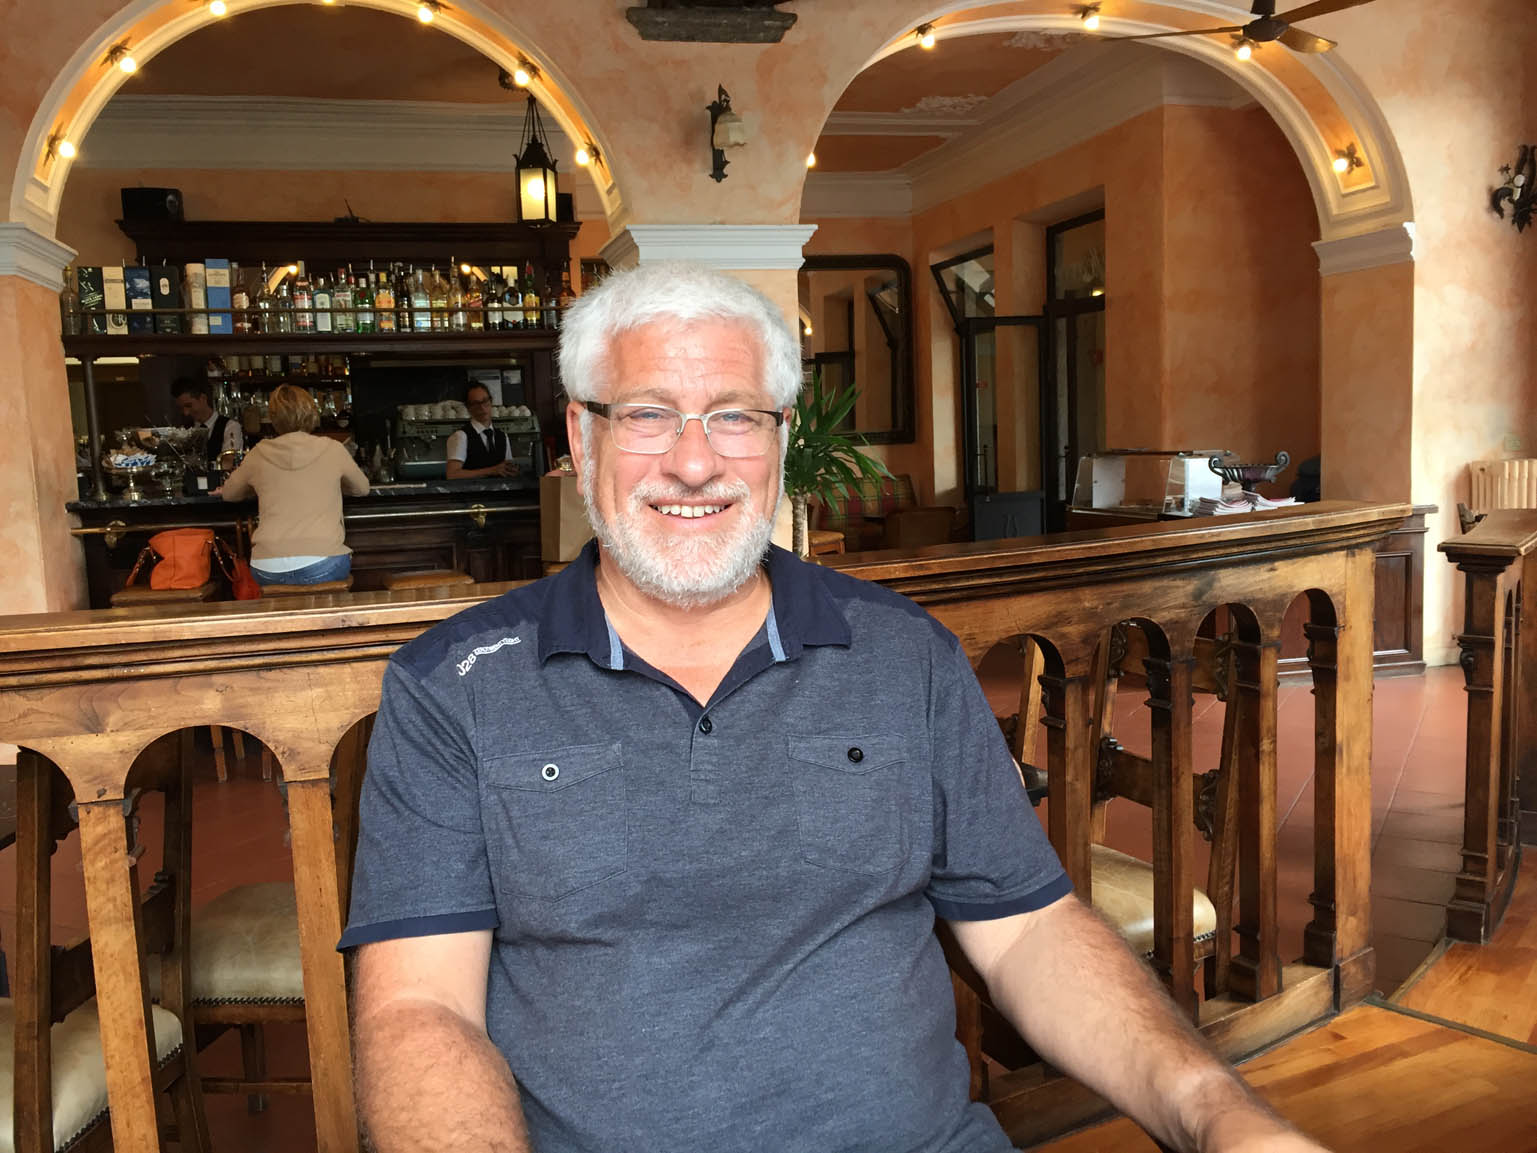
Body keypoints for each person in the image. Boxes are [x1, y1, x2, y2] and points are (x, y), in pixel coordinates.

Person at [341, 262, 1330, 1153]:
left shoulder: (904, 654)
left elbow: (1027, 931)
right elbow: (421, 1010)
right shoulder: (455, 686)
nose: (694, 462)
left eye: (734, 416)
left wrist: (1211, 1109)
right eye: (647, 415)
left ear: (779, 436)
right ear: (580, 434)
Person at [221, 384, 369, 586]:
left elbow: (229, 494)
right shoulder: (333, 449)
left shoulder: (258, 453)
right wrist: (330, 482)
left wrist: (256, 487)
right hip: (322, 561)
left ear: (272, 417)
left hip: (267, 566)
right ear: (312, 413)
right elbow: (362, 488)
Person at [445, 382, 518, 479]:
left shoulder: (503, 436)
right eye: (476, 403)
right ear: (468, 407)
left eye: (485, 401)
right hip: (472, 489)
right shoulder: (460, 436)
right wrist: (492, 470)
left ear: (491, 402)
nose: (482, 407)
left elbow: (508, 470)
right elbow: (452, 474)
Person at [173, 377, 242, 467]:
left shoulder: (230, 426)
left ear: (203, 398)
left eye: (189, 405)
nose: (186, 413)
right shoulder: (185, 429)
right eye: (181, 408)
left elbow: (229, 462)